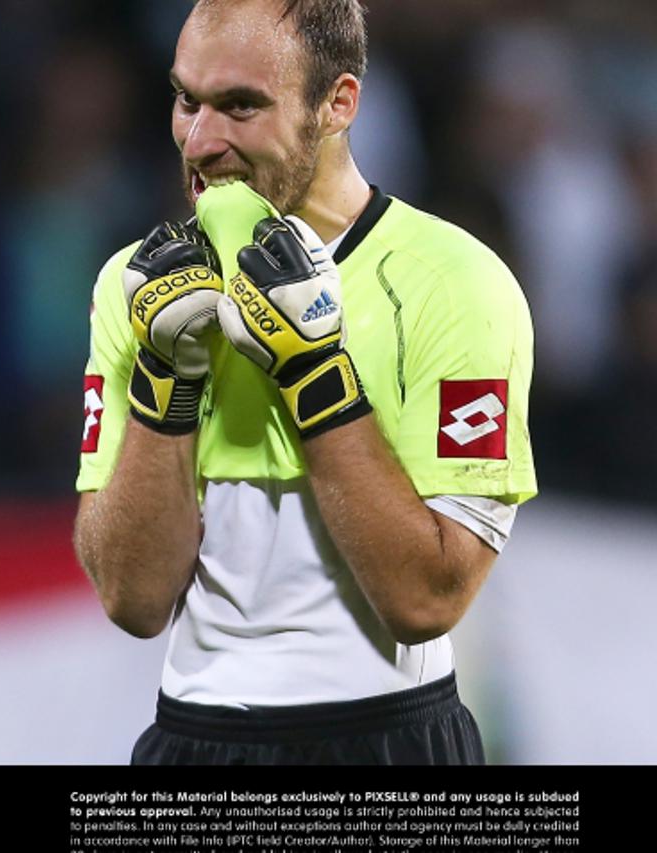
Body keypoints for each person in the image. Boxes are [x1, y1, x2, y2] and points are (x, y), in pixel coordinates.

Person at [73, 0, 536, 765]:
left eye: (241, 106)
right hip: (192, 739)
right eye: (188, 99)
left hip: (390, 739)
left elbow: (428, 599)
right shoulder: (135, 285)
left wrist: (315, 373)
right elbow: (133, 598)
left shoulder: (455, 285)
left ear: (338, 103)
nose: (200, 139)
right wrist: (164, 380)